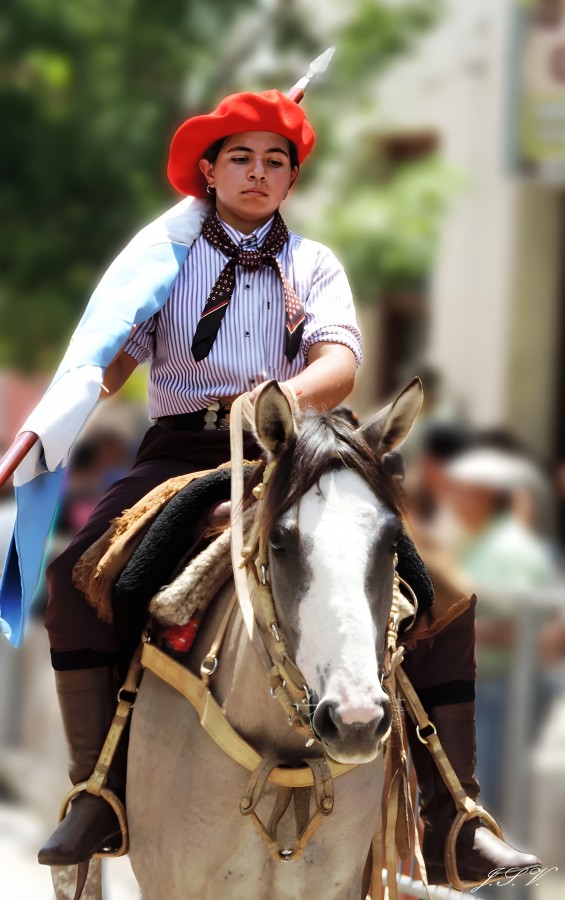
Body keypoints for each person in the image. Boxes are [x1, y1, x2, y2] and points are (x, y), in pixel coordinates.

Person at [3, 86, 539, 885]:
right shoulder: (164, 260)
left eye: (274, 162)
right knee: (76, 580)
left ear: (291, 180)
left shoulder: (313, 265)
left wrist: (279, 403)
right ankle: (100, 792)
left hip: (299, 447)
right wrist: (75, 392)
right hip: (184, 450)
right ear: (209, 173)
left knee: (443, 594)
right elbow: (114, 355)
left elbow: (340, 363)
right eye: (241, 159)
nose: (258, 173)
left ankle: (452, 813)